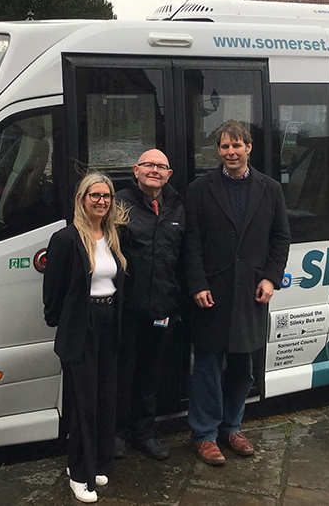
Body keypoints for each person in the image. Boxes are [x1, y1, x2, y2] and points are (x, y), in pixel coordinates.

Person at [184, 120, 290, 466]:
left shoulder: (270, 189)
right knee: (207, 368)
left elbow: (280, 239)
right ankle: (205, 434)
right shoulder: (200, 189)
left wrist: (272, 278)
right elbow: (192, 242)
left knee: (243, 368)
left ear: (249, 148)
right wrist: (197, 283)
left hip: (251, 292)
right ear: (218, 151)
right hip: (212, 292)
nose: (231, 152)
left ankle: (233, 427)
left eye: (237, 145)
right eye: (225, 147)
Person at [43, 173, 129, 503]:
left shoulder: (114, 236)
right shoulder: (66, 239)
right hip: (81, 325)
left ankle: (97, 463)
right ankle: (78, 473)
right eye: (95, 195)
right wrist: (61, 322)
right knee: (82, 402)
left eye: (106, 196)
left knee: (105, 397)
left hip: (110, 323)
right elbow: (52, 291)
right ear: (82, 199)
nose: (102, 201)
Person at [115, 149, 185, 461]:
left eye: (161, 166)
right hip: (127, 309)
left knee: (151, 376)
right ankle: (116, 434)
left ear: (169, 174)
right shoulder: (118, 203)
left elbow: (187, 254)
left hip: (163, 308)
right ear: (136, 170)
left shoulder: (178, 206)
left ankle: (144, 433)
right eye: (148, 165)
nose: (154, 170)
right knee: (122, 374)